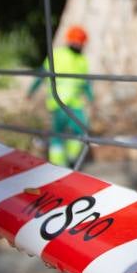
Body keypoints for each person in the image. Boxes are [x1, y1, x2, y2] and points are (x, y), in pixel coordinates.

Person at [28, 25, 94, 167]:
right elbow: (43, 73)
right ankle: (59, 164)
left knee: (78, 131)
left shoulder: (80, 59)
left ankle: (69, 160)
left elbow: (85, 82)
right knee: (62, 133)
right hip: (59, 102)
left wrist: (90, 97)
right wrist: (31, 91)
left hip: (72, 103)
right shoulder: (60, 55)